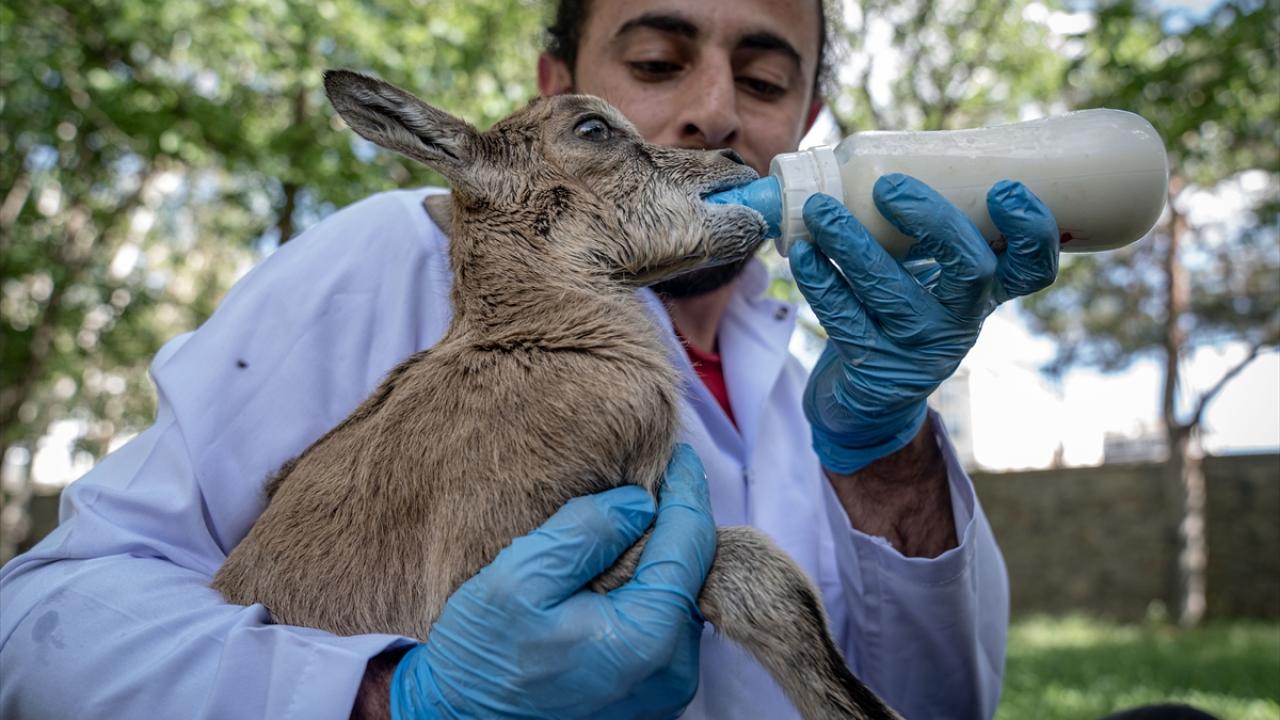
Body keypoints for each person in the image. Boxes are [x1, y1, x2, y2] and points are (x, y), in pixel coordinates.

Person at [0, 0, 1061, 718]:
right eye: (655, 65)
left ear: (806, 121)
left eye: (765, 77)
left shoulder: (818, 378)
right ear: (552, 84)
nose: (712, 112)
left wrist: (887, 452)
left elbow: (946, 702)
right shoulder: (386, 261)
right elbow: (41, 622)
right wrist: (390, 701)